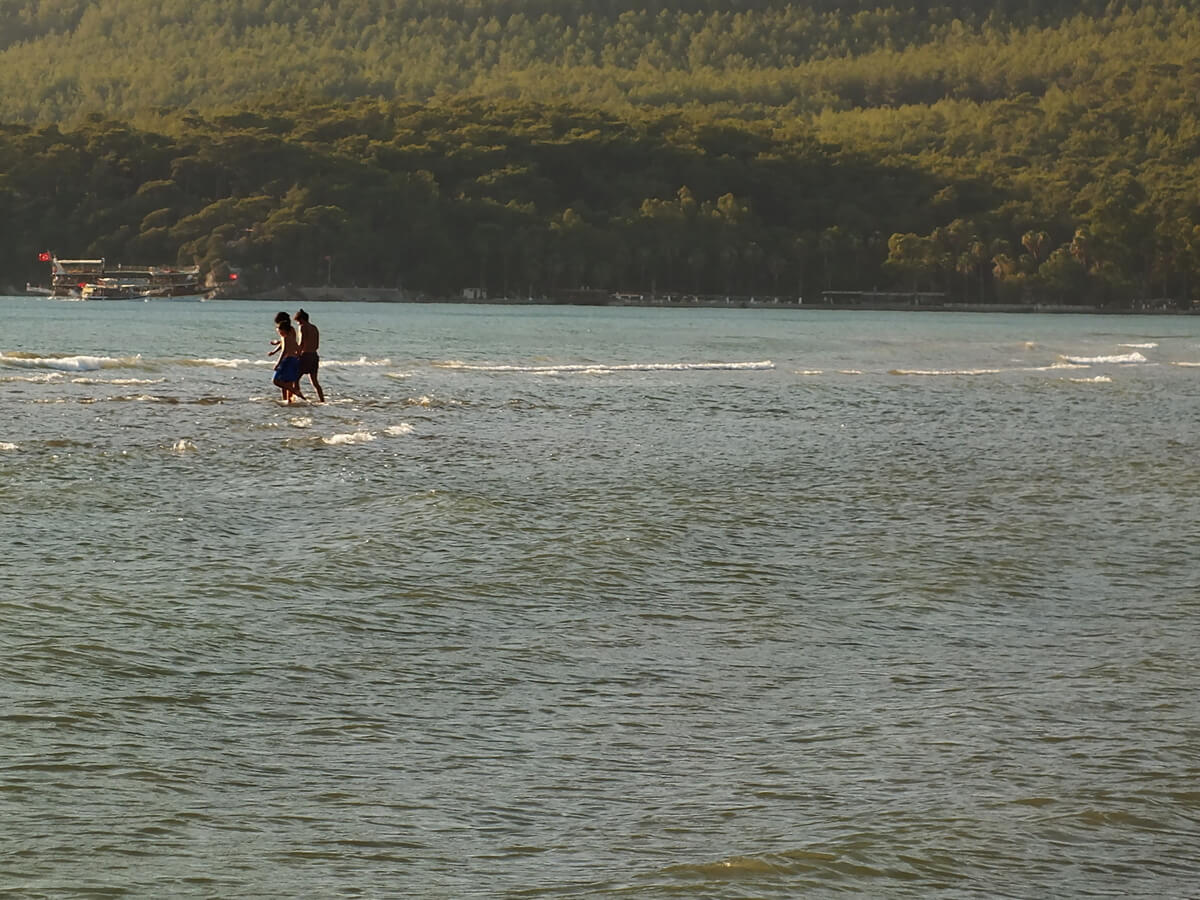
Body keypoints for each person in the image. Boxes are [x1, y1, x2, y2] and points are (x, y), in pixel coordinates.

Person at [268, 311, 305, 403]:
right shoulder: (288, 332)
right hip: (292, 358)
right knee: (286, 382)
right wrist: (275, 350)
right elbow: (291, 344)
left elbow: (285, 347)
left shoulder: (289, 331)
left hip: (288, 359)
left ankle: (292, 395)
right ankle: (287, 400)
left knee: (281, 381)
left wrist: (278, 362)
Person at [294, 308, 325, 402]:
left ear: (301, 320)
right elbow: (317, 345)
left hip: (305, 356)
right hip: (314, 356)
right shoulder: (314, 327)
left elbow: (301, 343)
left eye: (298, 322)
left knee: (295, 379)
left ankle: (301, 399)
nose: (298, 324)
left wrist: (297, 354)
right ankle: (322, 400)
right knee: (315, 382)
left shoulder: (303, 327)